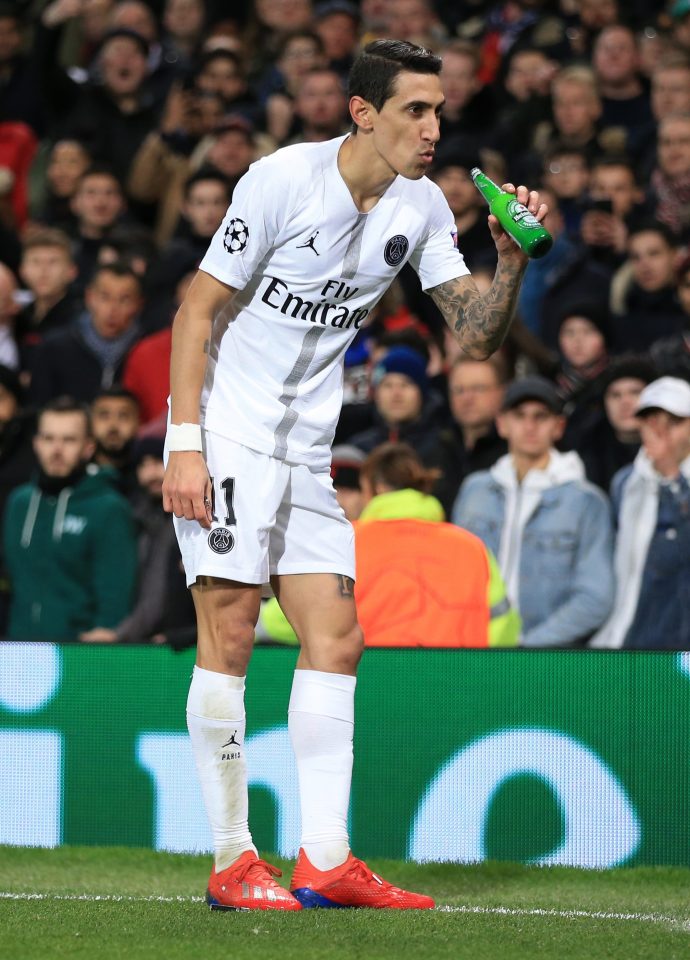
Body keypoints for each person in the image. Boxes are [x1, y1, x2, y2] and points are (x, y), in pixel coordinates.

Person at [162, 38, 546, 912]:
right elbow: (196, 308)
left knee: (337, 639)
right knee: (226, 639)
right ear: (363, 112)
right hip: (226, 434)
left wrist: (511, 255)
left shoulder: (422, 206)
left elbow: (477, 336)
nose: (434, 127)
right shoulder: (280, 181)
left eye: (440, 111)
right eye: (416, 109)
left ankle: (326, 860)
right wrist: (186, 442)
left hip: (306, 451)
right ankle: (231, 862)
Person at [452, 376, 614, 647]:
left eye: (541, 416)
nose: (530, 426)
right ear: (502, 424)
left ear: (558, 426)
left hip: (550, 660)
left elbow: (595, 597)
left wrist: (528, 648)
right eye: (520, 415)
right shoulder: (474, 491)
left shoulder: (586, 501)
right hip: (474, 651)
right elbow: (454, 575)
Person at [355, 442, 519, 647]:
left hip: (369, 675)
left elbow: (307, 619)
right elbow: (503, 625)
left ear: (375, 487)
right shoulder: (472, 548)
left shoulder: (345, 542)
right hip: (457, 676)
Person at [3, 396, 138, 642]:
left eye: (68, 440)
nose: (56, 450)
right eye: (48, 438)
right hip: (18, 649)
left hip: (81, 652)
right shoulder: (19, 503)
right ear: (36, 443)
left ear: (88, 447)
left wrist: (107, 635)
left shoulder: (109, 507)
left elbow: (116, 590)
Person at [590, 377, 690, 650]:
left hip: (679, 648)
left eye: (673, 422)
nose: (661, 432)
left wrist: (672, 476)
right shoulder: (626, 482)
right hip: (624, 638)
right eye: (650, 421)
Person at [29, 262, 143, 406]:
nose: (113, 309)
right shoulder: (53, 348)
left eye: (124, 299)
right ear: (89, 297)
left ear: (139, 304)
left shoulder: (146, 351)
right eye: (105, 297)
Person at [348, 345, 443, 463]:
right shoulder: (357, 450)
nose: (396, 394)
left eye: (405, 384)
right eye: (388, 385)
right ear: (376, 394)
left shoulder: (443, 448)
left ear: (422, 393)